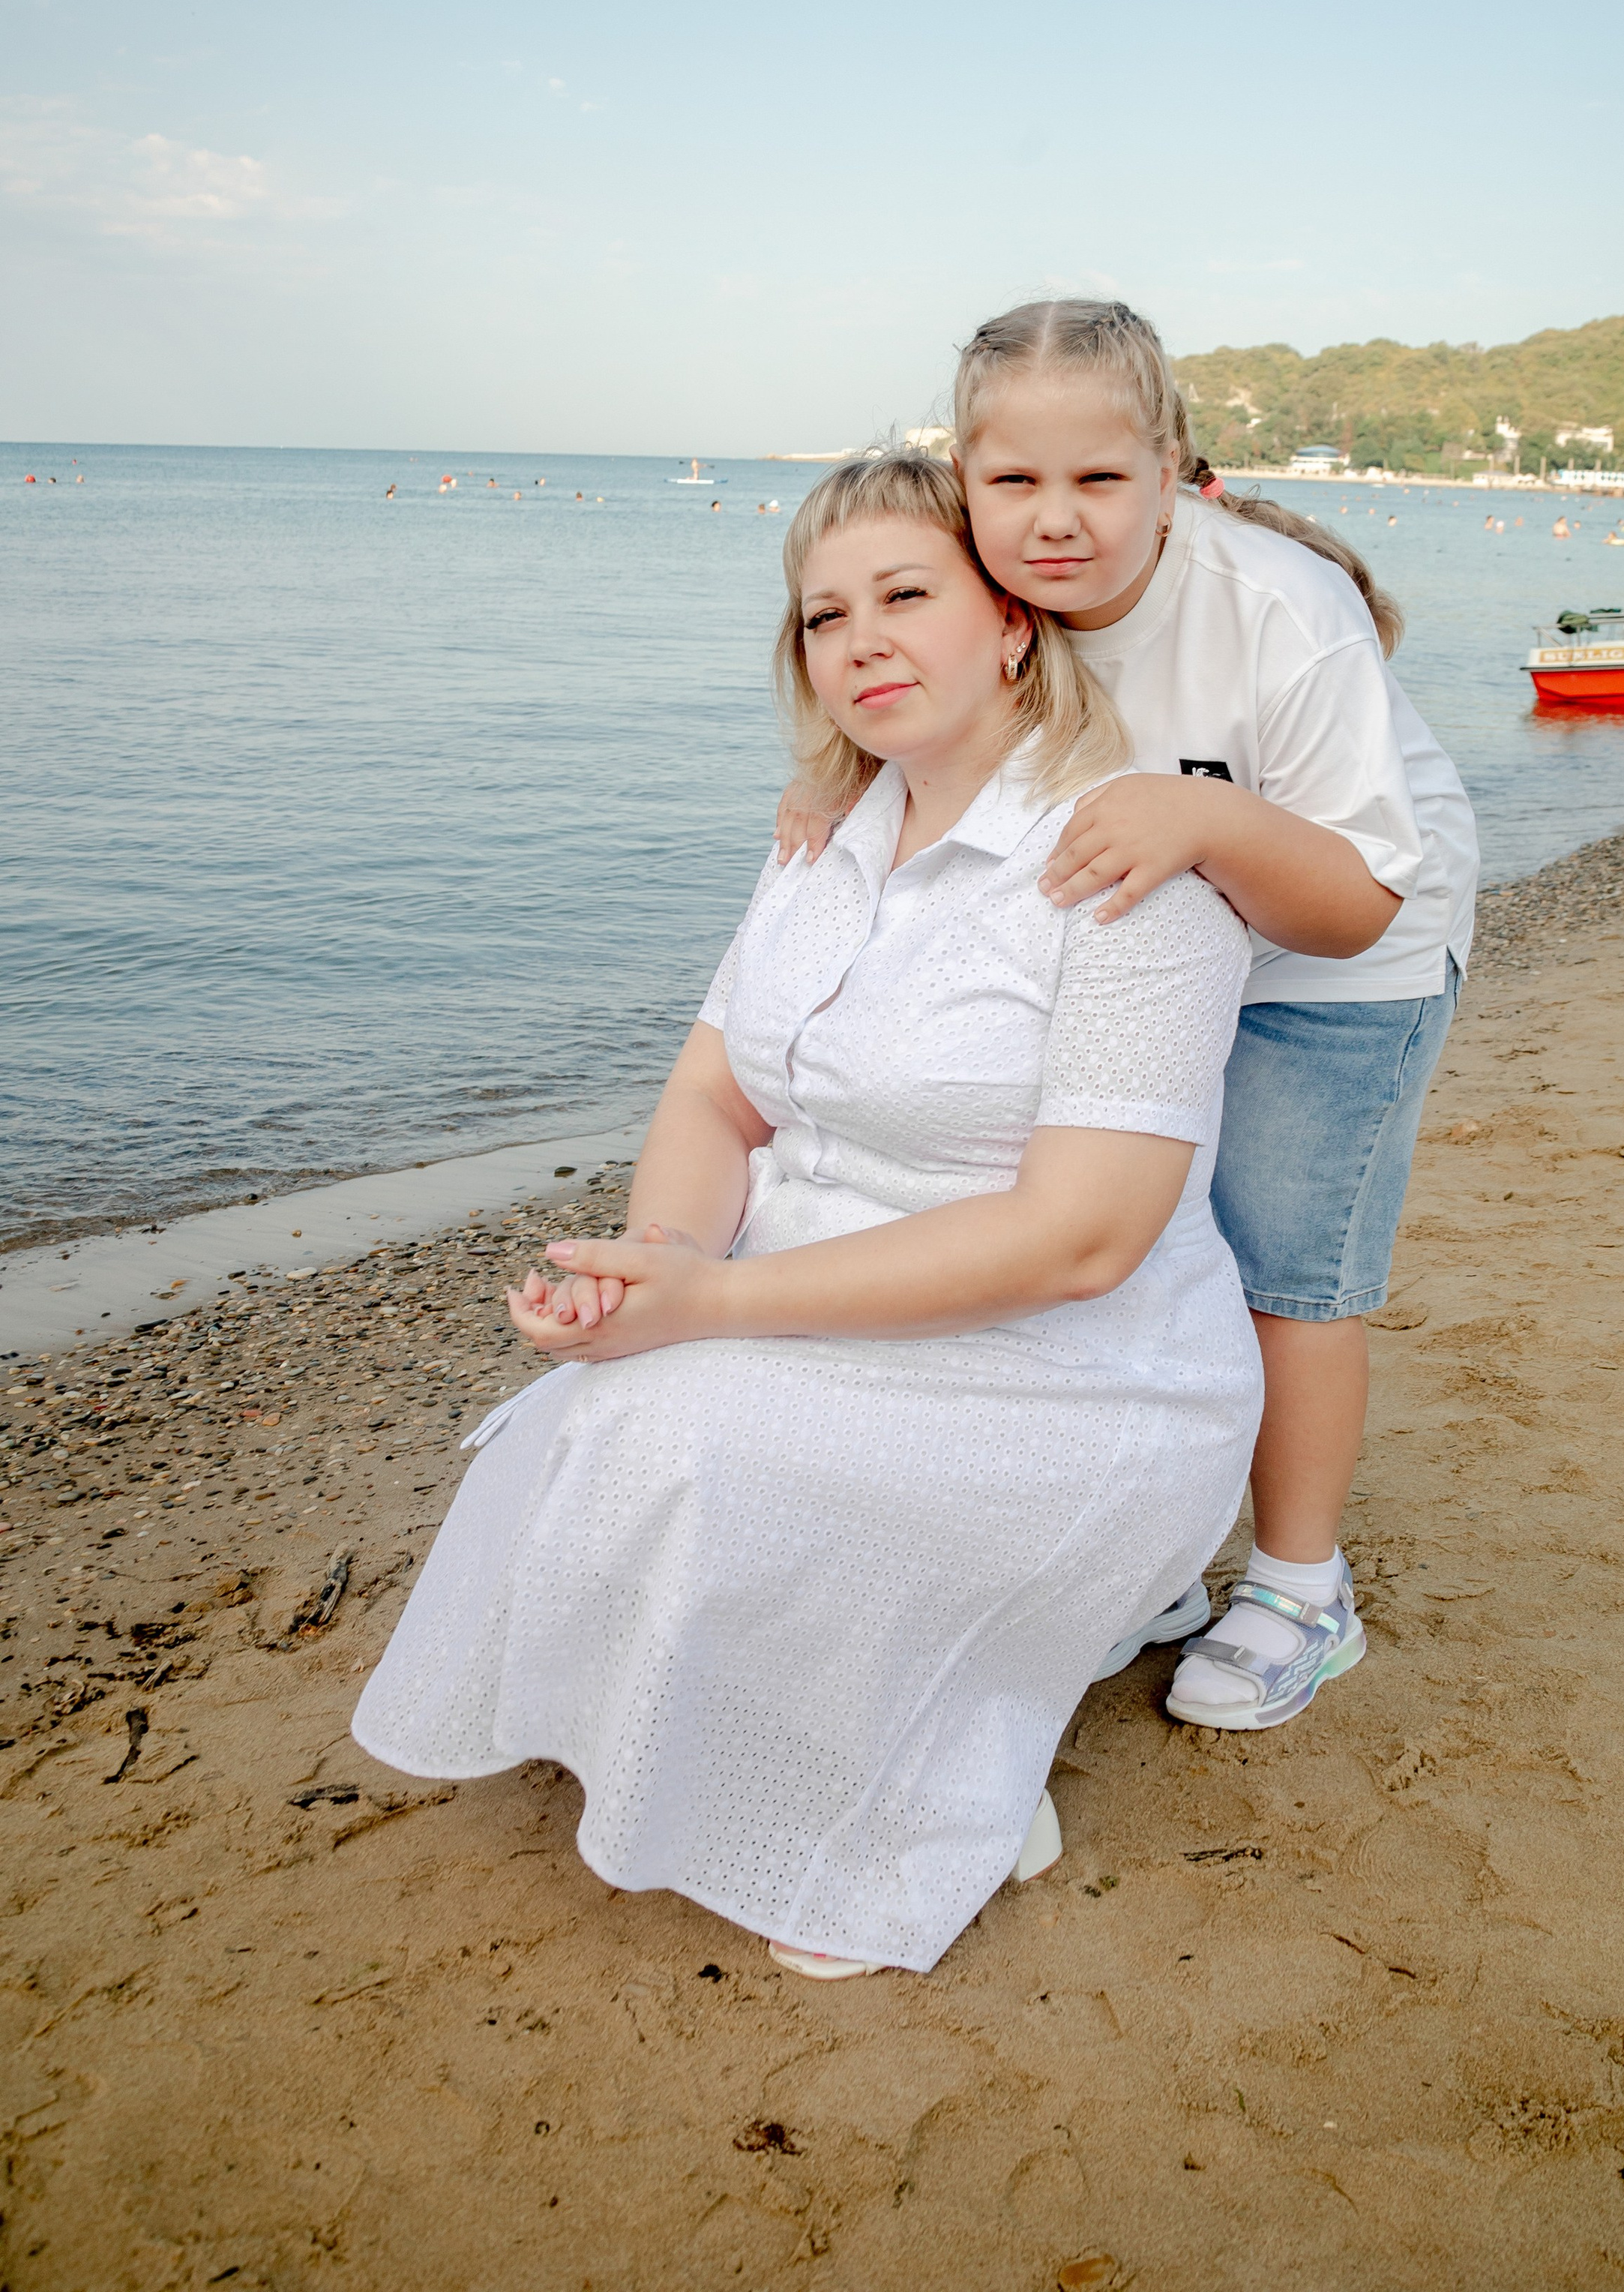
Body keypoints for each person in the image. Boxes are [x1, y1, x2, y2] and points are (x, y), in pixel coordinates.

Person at [353, 453, 1260, 1978]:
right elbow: (715, 1101)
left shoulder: (1122, 864)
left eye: (906, 594)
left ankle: (934, 1788)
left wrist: (705, 1308)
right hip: (805, 1285)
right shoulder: (820, 844)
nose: (861, 641)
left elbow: (1081, 1238)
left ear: (1013, 624)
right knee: (586, 1416)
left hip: (1069, 1369)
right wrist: (667, 1258)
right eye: (824, 615)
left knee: (680, 1438)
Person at [781, 302, 1477, 1736]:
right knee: (1134, 1244)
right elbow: (914, 682)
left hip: (1338, 955)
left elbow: (1359, 905)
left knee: (1286, 1265)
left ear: (1172, 472)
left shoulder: (1278, 609)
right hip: (1139, 943)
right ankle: (1150, 1555)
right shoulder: (984, 587)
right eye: (1014, 483)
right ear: (961, 481)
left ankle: (1298, 1586)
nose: (1054, 523)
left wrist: (1210, 813)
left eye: (1100, 481)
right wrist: (841, 774)